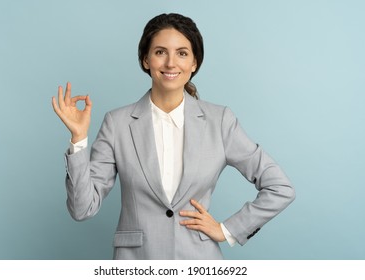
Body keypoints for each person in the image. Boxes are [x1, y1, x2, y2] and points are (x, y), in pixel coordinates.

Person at [52, 13, 295, 260]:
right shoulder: (117, 123)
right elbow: (82, 209)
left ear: (194, 63)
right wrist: (79, 138)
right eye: (160, 52)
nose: (170, 63)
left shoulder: (220, 121)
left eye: (182, 53)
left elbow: (280, 188)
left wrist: (227, 230)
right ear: (146, 60)